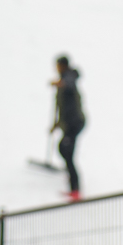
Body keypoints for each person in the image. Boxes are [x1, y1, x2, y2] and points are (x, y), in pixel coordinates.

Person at [51, 54, 87, 199]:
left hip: (75, 123)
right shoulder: (63, 80)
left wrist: (61, 83)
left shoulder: (69, 77)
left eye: (58, 65)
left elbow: (70, 81)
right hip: (70, 123)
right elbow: (62, 107)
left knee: (68, 154)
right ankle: (72, 180)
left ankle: (76, 190)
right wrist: (57, 124)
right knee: (63, 149)